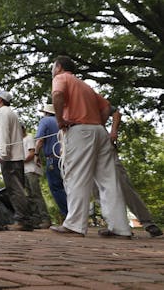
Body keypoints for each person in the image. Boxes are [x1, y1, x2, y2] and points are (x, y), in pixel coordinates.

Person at [49, 55, 131, 238]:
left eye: (53, 67)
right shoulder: (85, 85)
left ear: (59, 66)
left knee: (76, 176)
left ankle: (75, 225)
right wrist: (98, 124)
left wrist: (60, 120)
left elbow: (57, 95)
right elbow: (107, 107)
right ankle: (120, 228)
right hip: (99, 131)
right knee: (109, 181)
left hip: (80, 131)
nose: (52, 70)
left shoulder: (60, 78)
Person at [102, 106, 162, 237]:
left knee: (123, 184)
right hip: (84, 147)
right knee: (96, 189)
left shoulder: (89, 97)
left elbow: (116, 113)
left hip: (103, 145)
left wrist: (113, 131)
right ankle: (115, 225)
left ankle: (147, 222)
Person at [0, 91, 32, 231]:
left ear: (0, 99)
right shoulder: (10, 113)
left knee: (15, 190)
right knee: (18, 188)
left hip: (10, 158)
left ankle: (22, 221)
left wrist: (3, 154)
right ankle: (24, 219)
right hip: (17, 157)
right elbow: (2, 118)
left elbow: (4, 132)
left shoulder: (2, 113)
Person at [34, 103, 68, 218]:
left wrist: (36, 154)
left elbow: (40, 140)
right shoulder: (63, 122)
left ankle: (68, 215)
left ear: (46, 113)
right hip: (68, 158)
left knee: (56, 187)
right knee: (69, 187)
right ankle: (76, 216)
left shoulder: (45, 121)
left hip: (53, 159)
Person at [22, 123, 52, 229]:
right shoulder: (20, 141)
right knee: (29, 196)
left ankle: (45, 219)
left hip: (31, 170)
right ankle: (36, 220)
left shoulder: (28, 138)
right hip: (25, 171)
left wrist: (19, 162)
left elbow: (31, 154)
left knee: (36, 194)